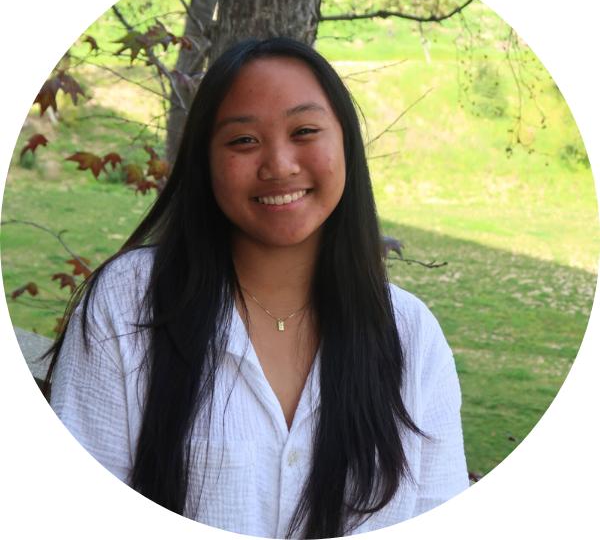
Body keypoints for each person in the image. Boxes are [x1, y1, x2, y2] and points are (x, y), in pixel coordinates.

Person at [46, 37, 469, 538]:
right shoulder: (127, 303)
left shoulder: (411, 335)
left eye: (305, 131)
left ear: (346, 145)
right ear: (205, 161)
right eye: (243, 140)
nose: (279, 165)